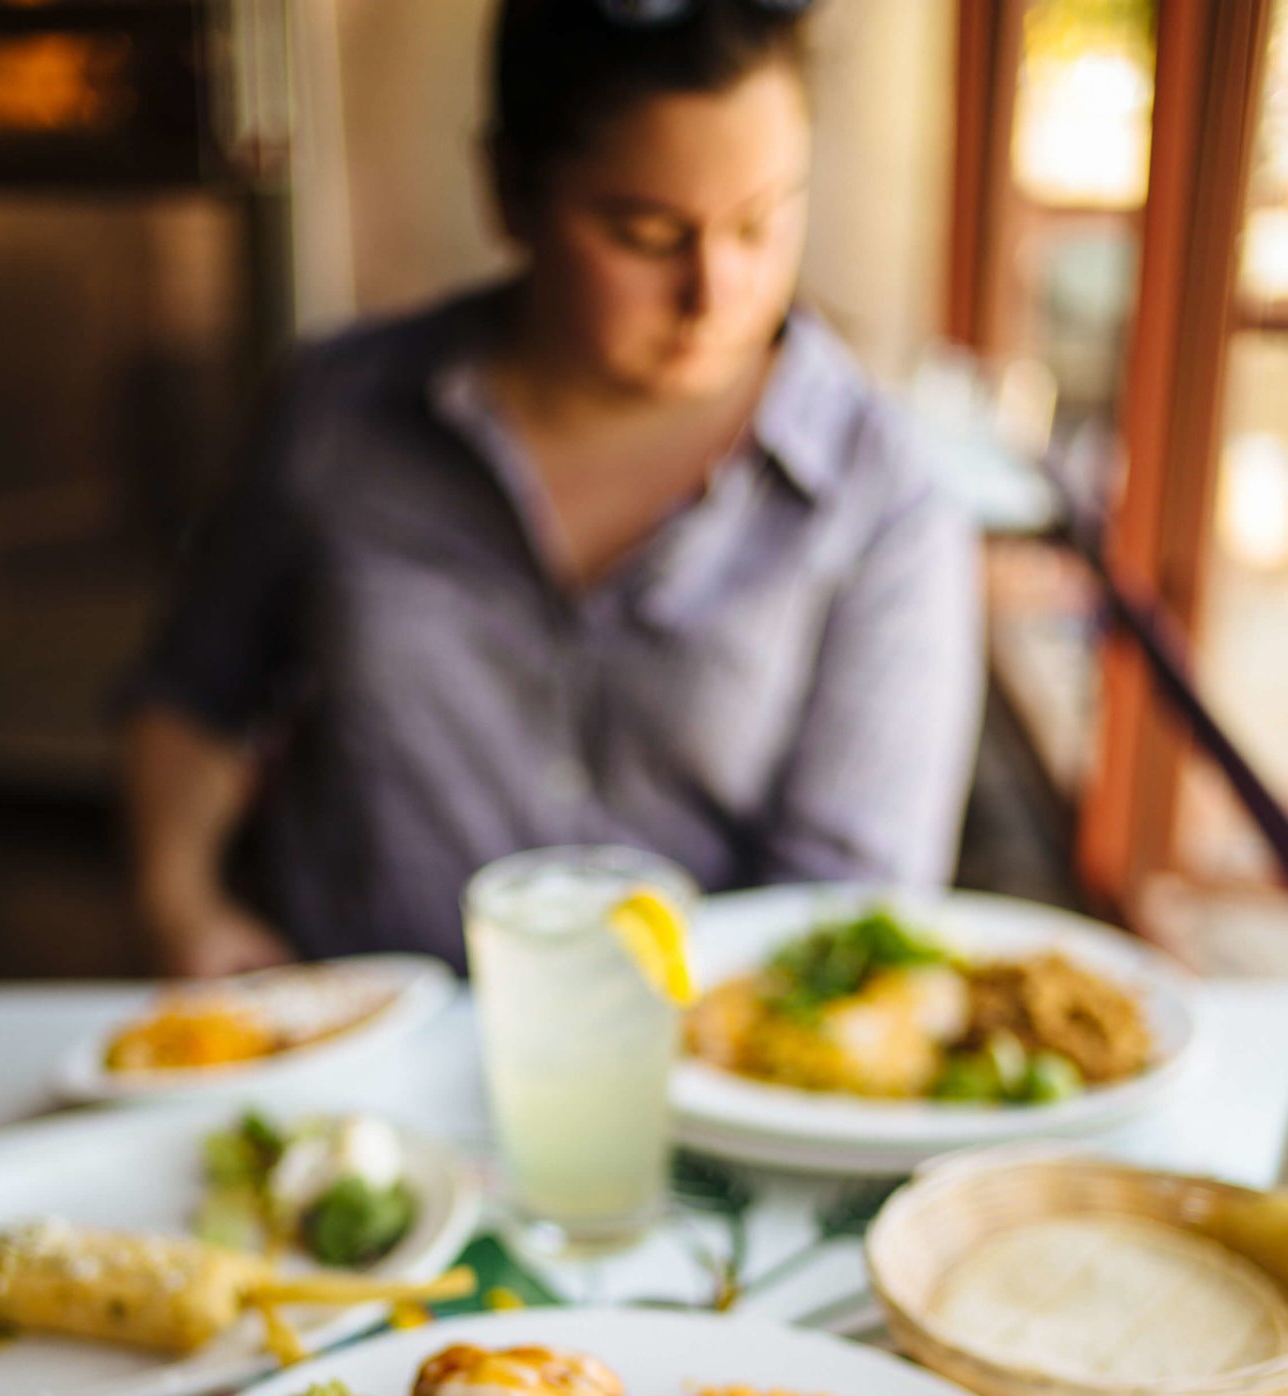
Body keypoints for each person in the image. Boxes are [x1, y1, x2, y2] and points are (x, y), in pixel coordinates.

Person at [121, 0, 983, 976]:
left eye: (759, 224)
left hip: (699, 1076)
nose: (716, 291)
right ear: (510, 192)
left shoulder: (882, 493)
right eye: (649, 235)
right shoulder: (337, 413)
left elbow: (847, 908)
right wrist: (181, 904)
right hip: (360, 1049)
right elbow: (195, 692)